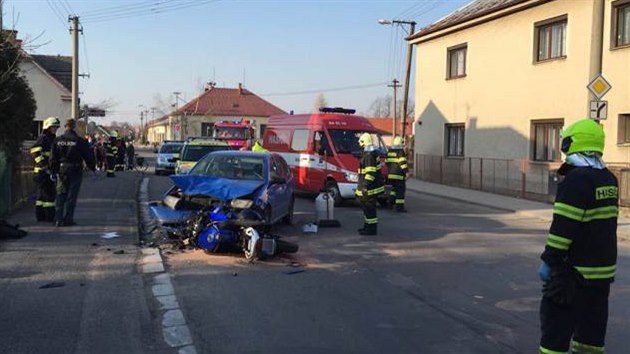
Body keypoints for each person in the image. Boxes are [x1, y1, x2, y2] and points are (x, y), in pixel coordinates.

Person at [538, 118, 618, 354]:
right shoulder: (609, 179)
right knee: (591, 336)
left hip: (572, 274)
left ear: (572, 143)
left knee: (555, 332)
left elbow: (563, 229)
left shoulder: (575, 180)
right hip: (601, 275)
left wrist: (549, 260)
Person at [49, 119, 96, 227]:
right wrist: (92, 167)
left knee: (60, 195)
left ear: (65, 127)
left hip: (61, 171)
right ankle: (68, 219)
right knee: (71, 196)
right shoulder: (80, 141)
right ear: (74, 127)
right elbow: (87, 156)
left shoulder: (57, 140)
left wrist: (53, 171)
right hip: (75, 171)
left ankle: (58, 219)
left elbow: (52, 158)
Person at [30, 116, 60, 222]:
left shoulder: (51, 138)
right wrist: (43, 164)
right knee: (49, 195)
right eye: (53, 127)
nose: (55, 129)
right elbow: (34, 150)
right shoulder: (44, 138)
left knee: (41, 196)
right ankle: (49, 217)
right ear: (48, 127)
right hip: (43, 171)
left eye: (56, 127)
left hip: (44, 171)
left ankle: (41, 216)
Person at [355, 133, 384, 235]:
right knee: (367, 210)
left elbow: (370, 174)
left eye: (360, 143)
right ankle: (367, 227)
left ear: (364, 143)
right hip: (370, 188)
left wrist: (364, 186)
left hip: (369, 189)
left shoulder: (368, 156)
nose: (359, 145)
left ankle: (371, 230)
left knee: (370, 210)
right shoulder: (371, 154)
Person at [386, 136, 409, 212]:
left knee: (394, 190)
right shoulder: (400, 151)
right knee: (400, 191)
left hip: (391, 175)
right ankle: (399, 207)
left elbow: (387, 162)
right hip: (399, 175)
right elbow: (402, 163)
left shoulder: (390, 151)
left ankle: (390, 203)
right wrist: (407, 172)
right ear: (401, 143)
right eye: (403, 143)